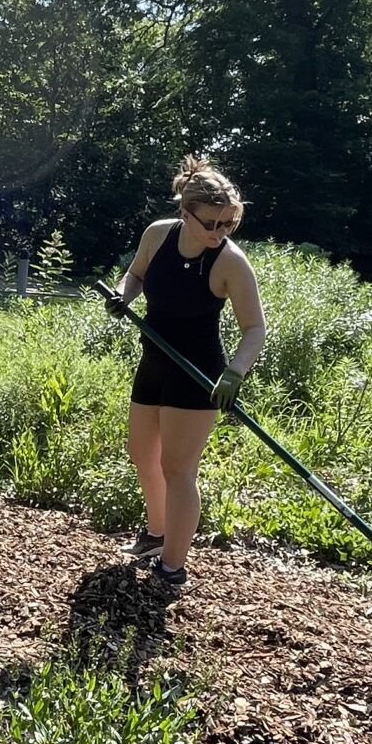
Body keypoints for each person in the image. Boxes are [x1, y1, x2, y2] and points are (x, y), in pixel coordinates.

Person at [99, 157, 267, 589]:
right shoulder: (158, 235)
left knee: (178, 468)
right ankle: (156, 535)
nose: (219, 232)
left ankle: (172, 567)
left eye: (229, 223)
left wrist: (235, 372)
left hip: (198, 374)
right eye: (211, 223)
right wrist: (122, 295)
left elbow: (255, 329)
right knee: (141, 453)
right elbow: (136, 274)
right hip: (154, 360)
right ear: (185, 212)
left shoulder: (230, 262)